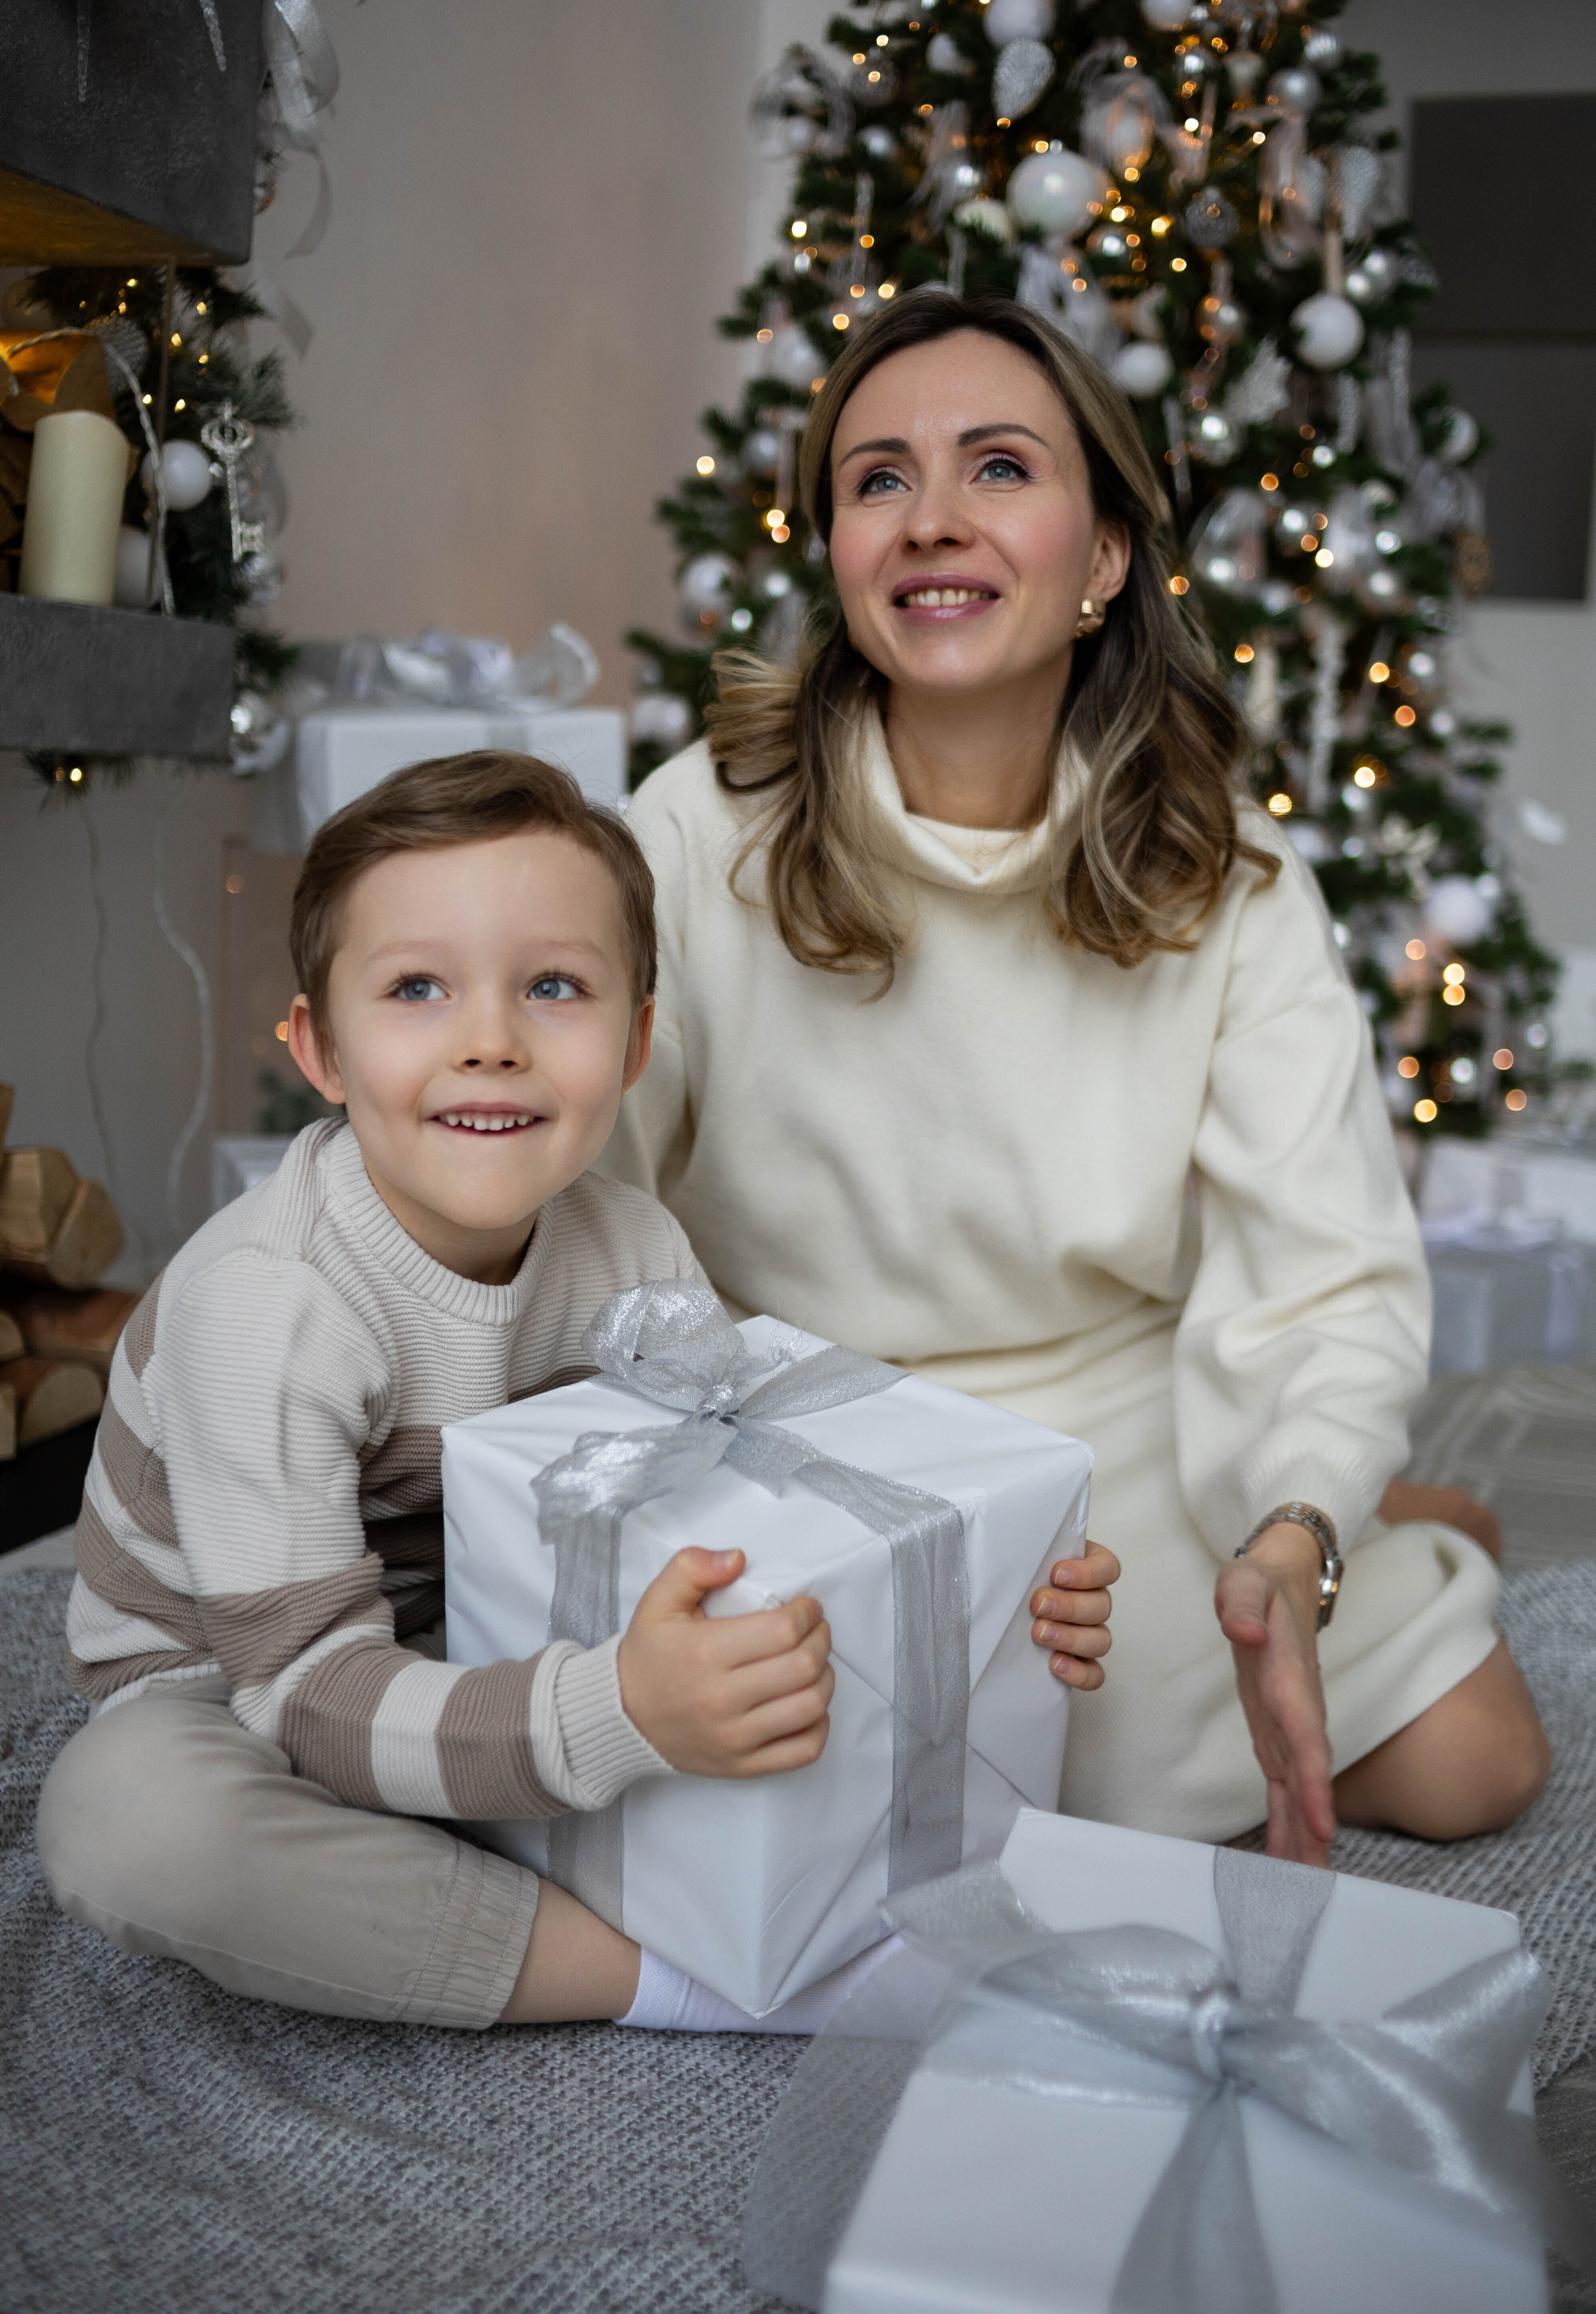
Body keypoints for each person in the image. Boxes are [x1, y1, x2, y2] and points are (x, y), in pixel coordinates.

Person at [602, 293, 1550, 1866]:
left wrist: (1294, 1532)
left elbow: (1318, 1276)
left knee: (1474, 1766)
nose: (929, 521)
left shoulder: (1229, 880)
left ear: (1103, 557)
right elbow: (596, 1197)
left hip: (1113, 1453)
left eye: (996, 468)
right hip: (798, 1449)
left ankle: (1389, 1531)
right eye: (877, 481)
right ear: (834, 551)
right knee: (803, 1812)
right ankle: (1421, 1525)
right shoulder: (699, 829)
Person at [37, 751, 1098, 2030]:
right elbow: (307, 1695)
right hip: (252, 1693)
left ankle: (649, 1852)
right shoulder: (270, 1307)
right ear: (320, 1049)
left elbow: (741, 1514)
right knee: (129, 1820)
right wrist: (622, 1711)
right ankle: (665, 1983)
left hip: (495, 1635)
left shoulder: (631, 1250)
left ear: (635, 1038)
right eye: (416, 989)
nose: (489, 1042)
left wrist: (973, 1594)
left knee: (731, 1692)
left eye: (553, 987)